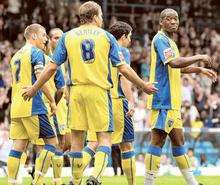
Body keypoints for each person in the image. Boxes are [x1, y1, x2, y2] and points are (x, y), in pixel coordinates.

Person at [22, 1, 157, 185]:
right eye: (101, 16)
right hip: (99, 92)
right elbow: (123, 69)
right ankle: (96, 178)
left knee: (78, 141)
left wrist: (34, 88)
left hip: (76, 93)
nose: (102, 19)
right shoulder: (106, 37)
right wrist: (143, 85)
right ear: (95, 17)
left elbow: (51, 67)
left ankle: (75, 181)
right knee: (104, 139)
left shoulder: (68, 37)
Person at [144, 8, 217, 185]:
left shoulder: (170, 42)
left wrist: (199, 70)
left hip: (173, 103)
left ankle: (192, 183)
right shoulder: (160, 39)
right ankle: (148, 183)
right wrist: (199, 57)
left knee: (179, 141)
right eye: (169, 19)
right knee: (158, 141)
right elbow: (175, 63)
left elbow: (179, 67)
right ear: (161, 22)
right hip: (163, 99)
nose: (174, 22)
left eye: (176, 19)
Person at [85, 21, 137, 185]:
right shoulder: (122, 50)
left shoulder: (100, 49)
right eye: (130, 37)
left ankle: (76, 177)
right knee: (126, 145)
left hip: (98, 99)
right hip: (117, 101)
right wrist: (130, 101)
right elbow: (124, 78)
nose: (130, 40)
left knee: (94, 142)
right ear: (123, 36)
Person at [7, 23, 58, 185]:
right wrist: (52, 101)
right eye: (43, 35)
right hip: (32, 105)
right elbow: (40, 79)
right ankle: (37, 182)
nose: (46, 39)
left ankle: (12, 182)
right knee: (52, 143)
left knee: (18, 146)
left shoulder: (16, 55)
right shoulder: (35, 53)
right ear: (34, 36)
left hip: (16, 107)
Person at [31, 28, 66, 185]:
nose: (59, 41)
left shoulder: (62, 59)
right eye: (55, 38)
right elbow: (60, 88)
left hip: (58, 107)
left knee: (61, 144)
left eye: (61, 38)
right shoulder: (47, 59)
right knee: (47, 145)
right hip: (47, 106)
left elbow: (64, 87)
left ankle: (53, 180)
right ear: (49, 40)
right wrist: (54, 103)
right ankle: (40, 180)